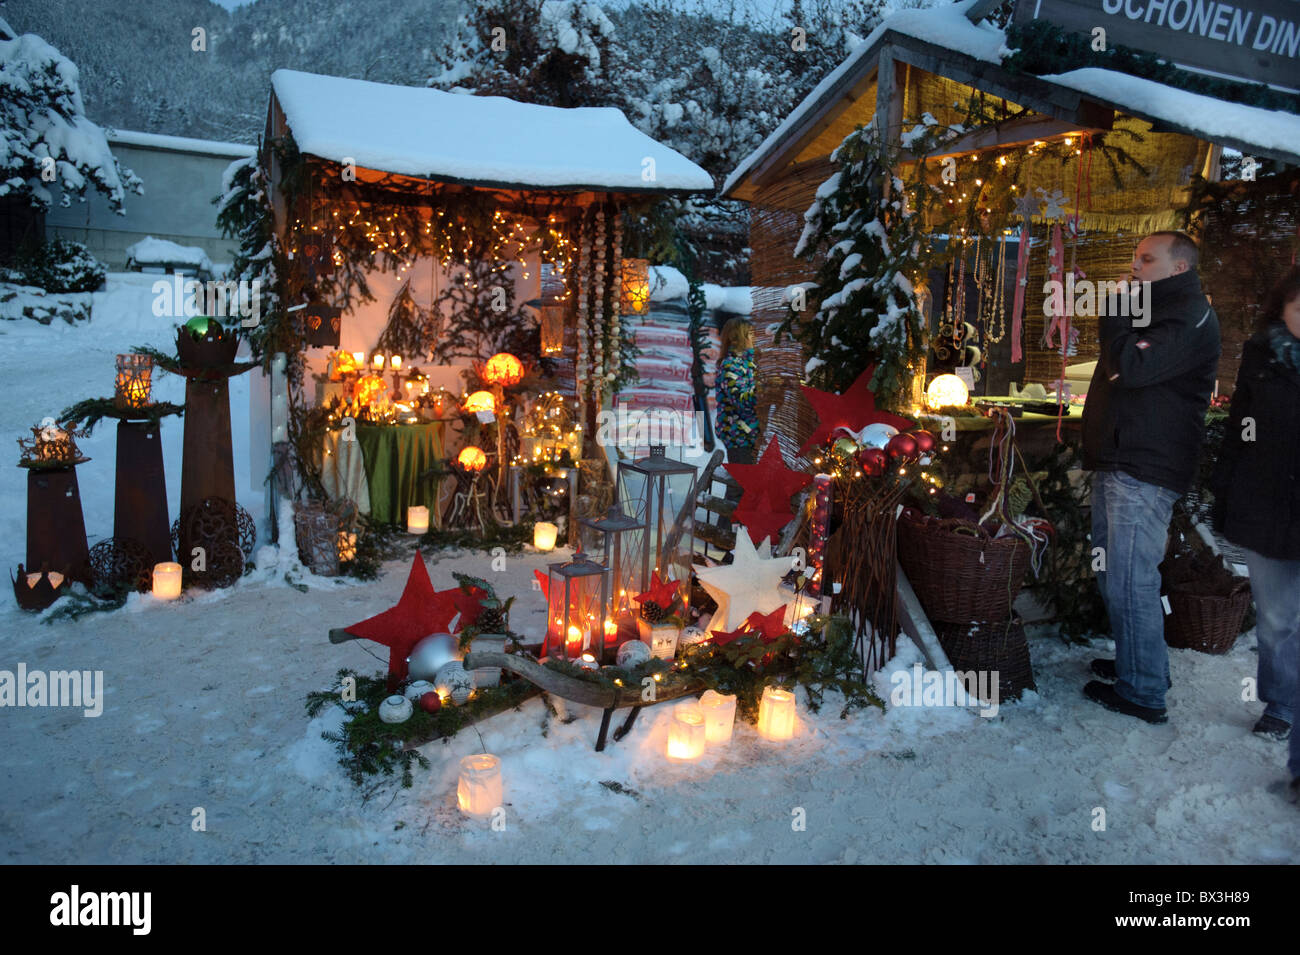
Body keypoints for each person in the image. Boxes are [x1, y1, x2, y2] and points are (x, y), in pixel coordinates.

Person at [1081, 231, 1221, 723]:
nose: (1134, 265)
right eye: (1134, 257)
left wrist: (1116, 311)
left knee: (1130, 579)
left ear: (1178, 268)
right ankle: (1138, 666)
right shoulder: (1156, 308)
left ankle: (1141, 691)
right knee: (1113, 572)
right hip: (1122, 460)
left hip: (1144, 467)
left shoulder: (1187, 315)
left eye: (1146, 258)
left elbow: (1130, 368)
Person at [1209, 268, 1300, 788]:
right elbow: (1240, 427)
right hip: (1267, 506)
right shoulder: (1263, 356)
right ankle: (1281, 702)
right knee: (1278, 619)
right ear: (1282, 309)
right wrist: (1229, 489)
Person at [715, 317, 759, 471]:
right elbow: (740, 401)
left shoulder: (751, 364)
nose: (755, 338)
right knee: (740, 486)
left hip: (752, 435)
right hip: (738, 436)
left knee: (750, 486)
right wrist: (764, 389)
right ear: (739, 338)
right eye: (750, 334)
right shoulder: (730, 365)